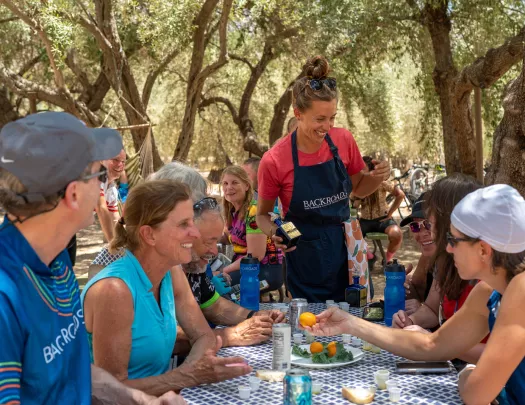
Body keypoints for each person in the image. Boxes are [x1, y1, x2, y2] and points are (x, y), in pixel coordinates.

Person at [0, 112, 183, 404]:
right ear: (73, 194)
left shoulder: (56, 262)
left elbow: (76, 370)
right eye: (99, 174)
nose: (104, 186)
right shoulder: (6, 294)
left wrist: (143, 400)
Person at [304, 184, 525, 405]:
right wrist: (350, 324)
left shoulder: (520, 291)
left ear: (483, 250)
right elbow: (432, 345)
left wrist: (467, 375)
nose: (447, 249)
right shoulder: (488, 291)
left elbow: (476, 394)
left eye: (454, 240)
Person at [81, 180, 251, 396]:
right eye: (184, 224)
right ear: (149, 234)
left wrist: (191, 372)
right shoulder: (115, 290)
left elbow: (203, 336)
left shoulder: (171, 272)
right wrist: (188, 376)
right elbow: (110, 392)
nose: (195, 233)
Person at [256, 55, 390, 302]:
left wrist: (378, 177)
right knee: (311, 329)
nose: (327, 126)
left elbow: (359, 189)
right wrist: (275, 232)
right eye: (320, 119)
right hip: (306, 254)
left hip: (349, 248)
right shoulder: (274, 160)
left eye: (332, 118)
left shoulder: (344, 140)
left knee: (355, 320)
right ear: (298, 113)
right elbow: (261, 215)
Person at [151, 162, 285, 348]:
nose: (215, 251)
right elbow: (159, 337)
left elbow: (212, 305)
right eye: (207, 241)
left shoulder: (186, 263)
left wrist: (253, 317)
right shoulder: (146, 266)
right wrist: (230, 336)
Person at [221, 166, 283, 291]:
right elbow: (229, 238)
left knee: (218, 289)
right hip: (247, 268)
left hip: (265, 272)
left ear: (246, 186)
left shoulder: (253, 211)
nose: (229, 188)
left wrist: (224, 270)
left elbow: (255, 255)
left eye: (235, 183)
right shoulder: (233, 212)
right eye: (225, 183)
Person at [353, 156, 404, 264]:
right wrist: (356, 200)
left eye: (364, 169)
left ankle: (387, 259)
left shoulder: (382, 182)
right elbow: (354, 204)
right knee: (350, 237)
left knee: (396, 234)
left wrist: (390, 213)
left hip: (382, 219)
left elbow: (400, 195)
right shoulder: (357, 185)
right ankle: (370, 256)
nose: (362, 172)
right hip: (365, 221)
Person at [95, 148, 126, 242]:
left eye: (123, 162)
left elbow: (115, 219)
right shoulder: (95, 177)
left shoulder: (112, 189)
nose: (120, 164)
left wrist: (125, 239)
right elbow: (101, 208)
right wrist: (113, 243)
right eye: (115, 160)